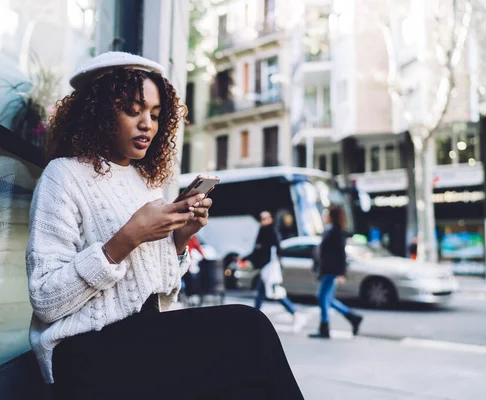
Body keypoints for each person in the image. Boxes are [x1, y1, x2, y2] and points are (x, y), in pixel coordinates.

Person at [26, 52, 304, 400]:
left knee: (246, 371)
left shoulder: (146, 181)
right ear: (97, 112)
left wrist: (179, 241)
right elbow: (46, 300)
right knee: (250, 329)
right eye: (134, 110)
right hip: (85, 350)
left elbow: (161, 291)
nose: (148, 125)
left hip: (145, 336)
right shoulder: (63, 175)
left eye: (155, 115)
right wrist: (126, 240)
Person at [309, 205, 363, 339]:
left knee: (322, 297)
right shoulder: (330, 230)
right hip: (327, 270)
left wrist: (341, 273)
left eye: (327, 214)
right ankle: (353, 317)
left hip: (331, 271)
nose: (324, 216)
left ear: (332, 216)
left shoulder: (337, 232)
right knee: (328, 299)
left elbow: (341, 254)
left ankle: (325, 327)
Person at [246, 211, 306, 332]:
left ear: (271, 219)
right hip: (266, 268)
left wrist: (255, 253)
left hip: (270, 269)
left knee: (275, 293)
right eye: (261, 218)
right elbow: (258, 250)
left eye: (265, 218)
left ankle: (295, 313)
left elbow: (267, 250)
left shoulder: (270, 232)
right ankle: (253, 319)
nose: (263, 221)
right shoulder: (265, 231)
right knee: (261, 294)